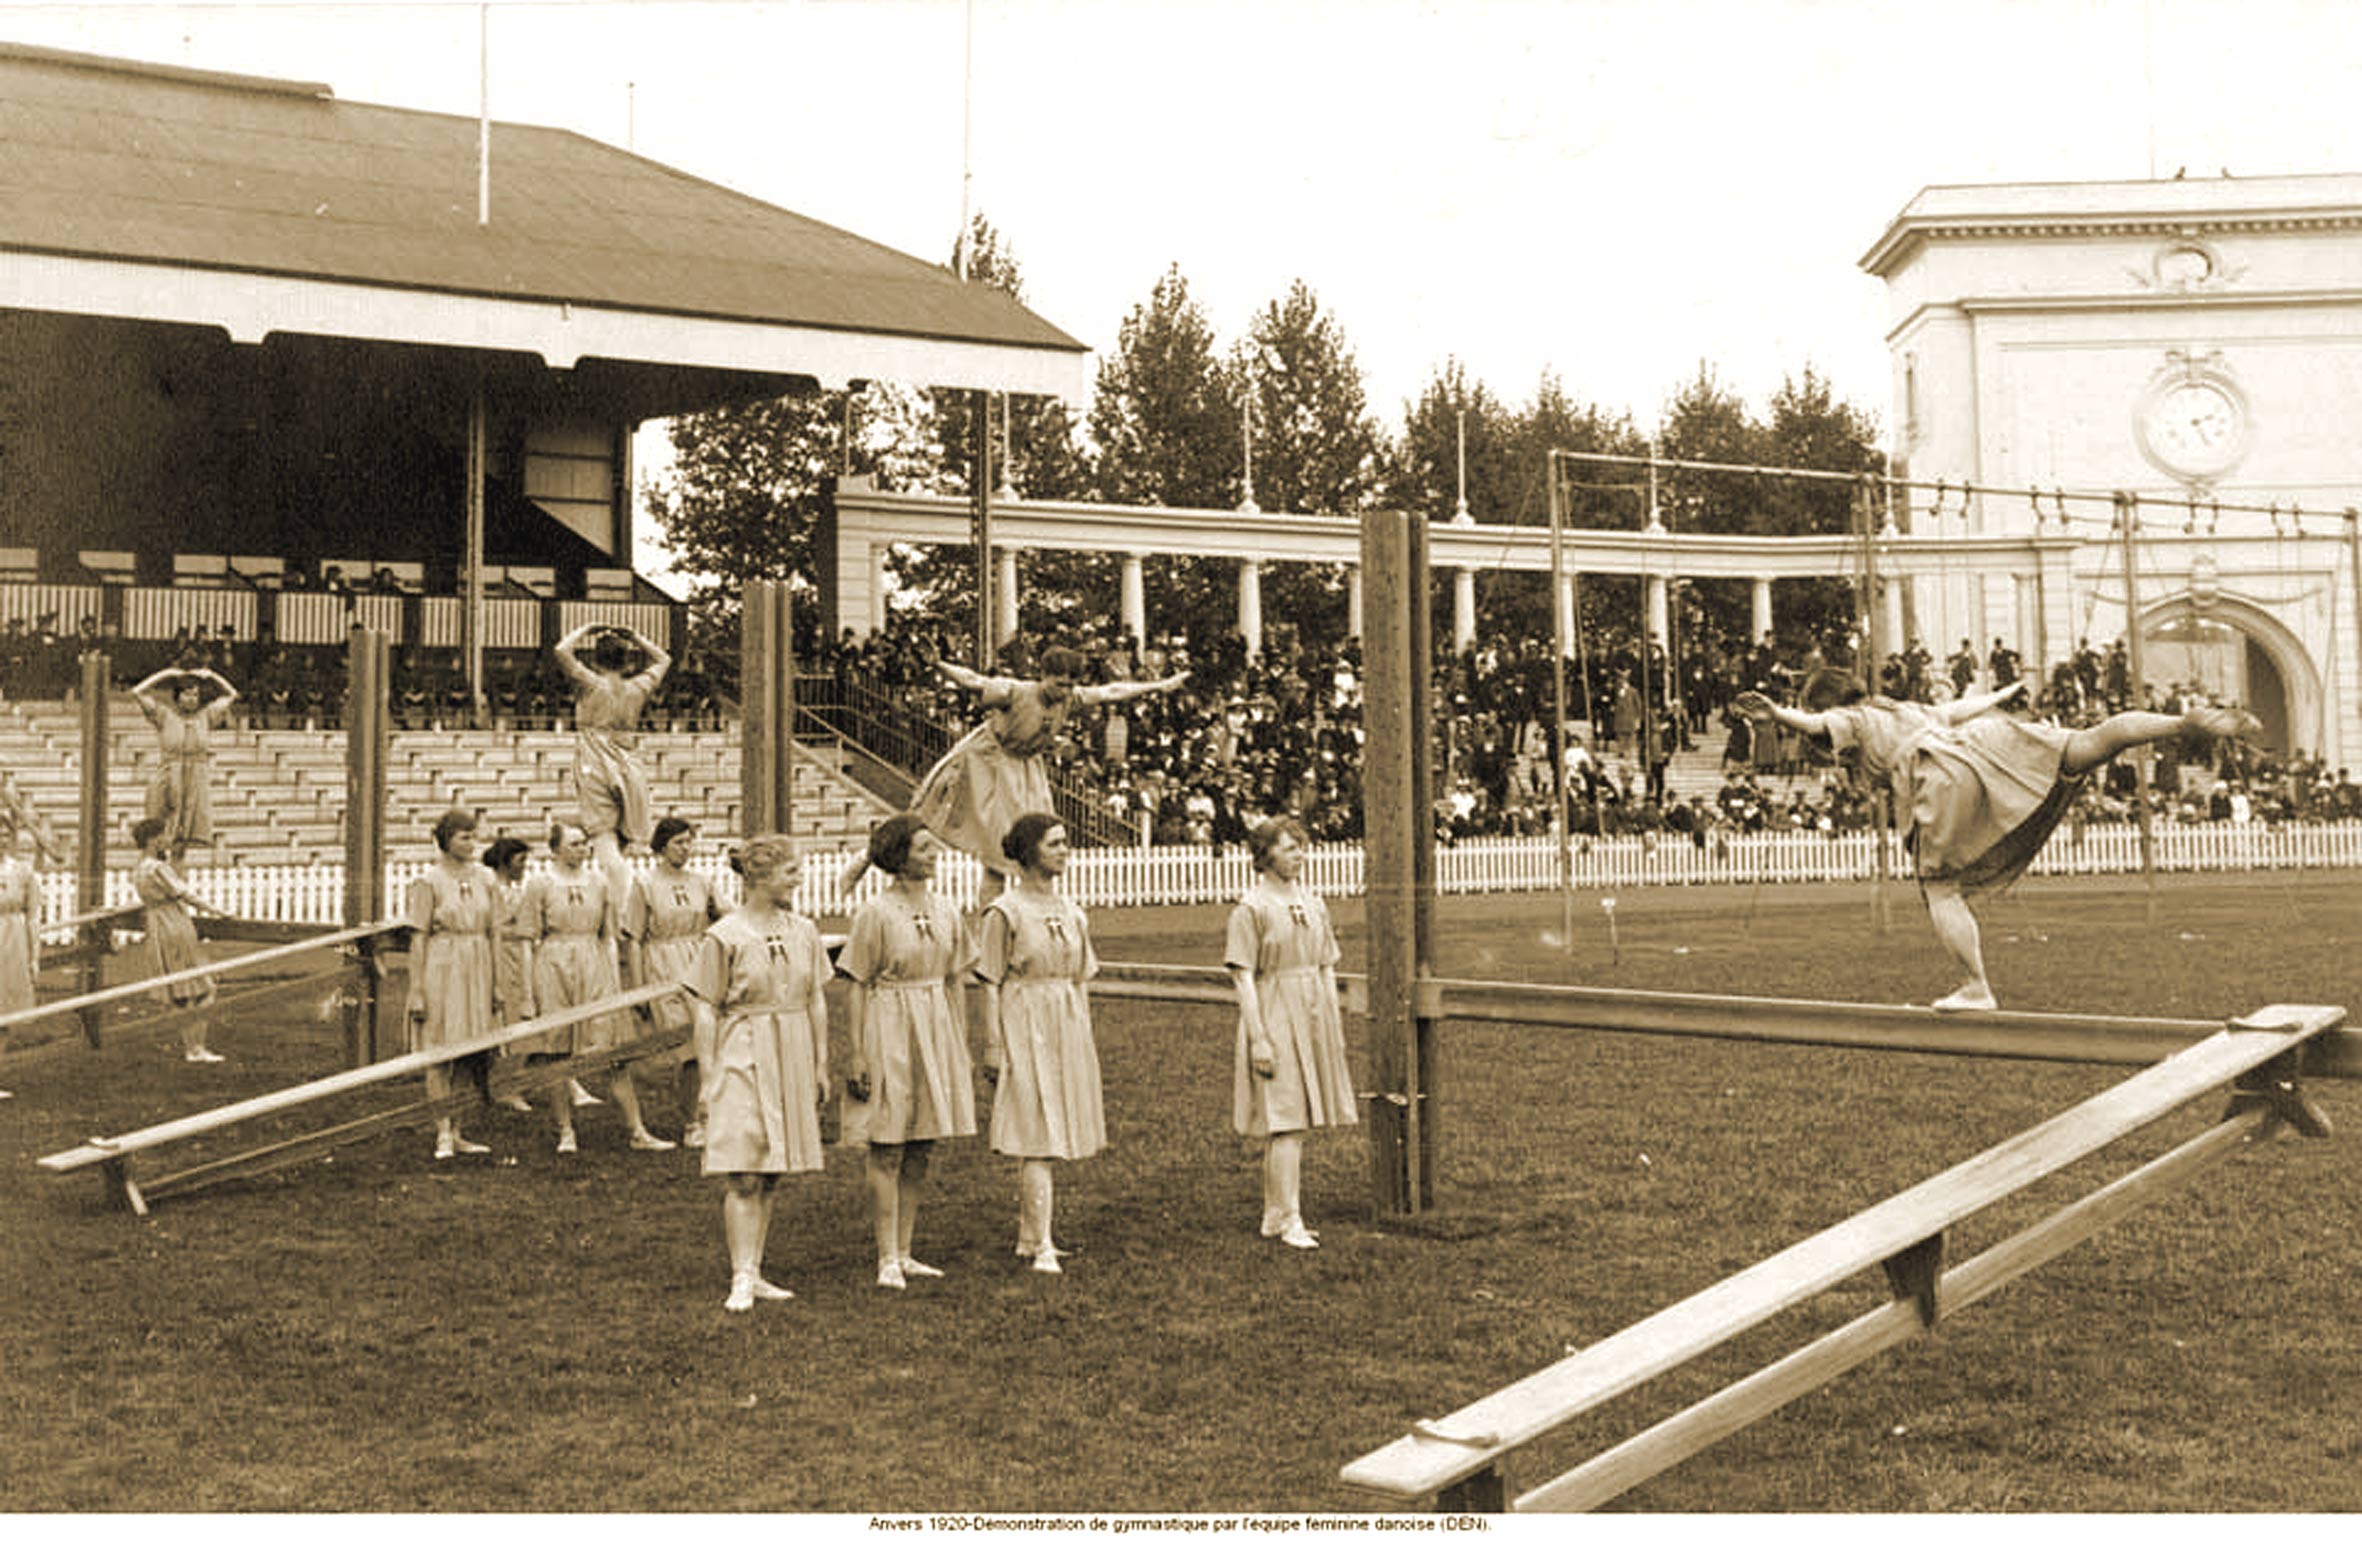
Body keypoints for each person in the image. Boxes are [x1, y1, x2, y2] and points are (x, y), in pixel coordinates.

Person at [1734, 668, 2263, 1011]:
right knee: (2091, 740)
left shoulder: (1849, 718)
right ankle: (2179, 723)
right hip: (1985, 741)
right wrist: (2006, 694)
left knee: (1941, 889)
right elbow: (1968, 707)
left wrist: (1778, 714)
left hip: (1938, 771)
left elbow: (1815, 723)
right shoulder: (1906, 707)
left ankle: (1975, 987)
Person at [683, 834, 832, 1312]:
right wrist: (709, 1077)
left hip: (791, 1046)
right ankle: (741, 1275)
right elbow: (706, 1007)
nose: (799, 879)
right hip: (743, 1048)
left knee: (770, 1170)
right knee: (744, 1169)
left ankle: (756, 1268)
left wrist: (821, 1062)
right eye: (791, 872)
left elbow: (816, 998)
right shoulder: (724, 935)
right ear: (760, 877)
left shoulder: (804, 931)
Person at [907, 648, 1186, 888]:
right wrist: (939, 664)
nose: (1064, 691)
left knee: (1040, 837)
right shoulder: (1016, 691)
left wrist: (1159, 686)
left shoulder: (1070, 698)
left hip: (1028, 765)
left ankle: (1034, 908)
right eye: (1060, 684)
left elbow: (1112, 690)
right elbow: (973, 681)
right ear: (1045, 676)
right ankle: (987, 926)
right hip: (992, 759)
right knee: (996, 854)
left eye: (1070, 685)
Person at [840, 814, 976, 1290]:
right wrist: (857, 1052)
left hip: (934, 1023)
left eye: (933, 847)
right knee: (887, 1142)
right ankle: (886, 1257)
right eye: (922, 848)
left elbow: (956, 977)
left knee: (922, 1142)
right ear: (899, 857)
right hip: (889, 1023)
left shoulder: (947, 909)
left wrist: (957, 1038)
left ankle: (906, 1249)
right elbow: (856, 982)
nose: (932, 854)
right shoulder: (875, 913)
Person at [977, 813, 1103, 1275]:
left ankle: (1031, 1237)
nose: (1064, 850)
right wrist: (993, 1043)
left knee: (1054, 1127)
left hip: (1064, 1019)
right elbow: (989, 980)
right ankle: (1041, 1242)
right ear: (1030, 852)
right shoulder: (1005, 912)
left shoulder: (1072, 911)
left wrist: (1082, 1030)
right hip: (1024, 1018)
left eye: (1065, 842)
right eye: (1055, 843)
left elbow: (1082, 976)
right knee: (1036, 1130)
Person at [1225, 815, 1356, 1250]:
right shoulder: (1251, 908)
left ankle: (1275, 1214)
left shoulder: (1314, 903)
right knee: (1287, 1122)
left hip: (1312, 1010)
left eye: (1301, 847)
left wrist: (1330, 1021)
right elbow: (1243, 975)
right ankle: (1288, 1218)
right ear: (1265, 855)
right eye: (1289, 847)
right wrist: (1259, 1037)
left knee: (1295, 1123)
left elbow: (1325, 964)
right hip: (1274, 1010)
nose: (1299, 855)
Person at [523, 820, 674, 1154]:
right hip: (554, 963)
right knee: (556, 1052)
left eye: (584, 843)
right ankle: (566, 1130)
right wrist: (527, 992)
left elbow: (608, 936)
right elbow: (528, 938)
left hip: (593, 961)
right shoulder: (540, 884)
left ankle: (637, 1130)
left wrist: (612, 980)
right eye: (574, 843)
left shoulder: (600, 882)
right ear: (556, 849)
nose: (582, 849)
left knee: (612, 1052)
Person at [552, 621, 671, 906]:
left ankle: (622, 906)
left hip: (596, 754)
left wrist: (587, 628)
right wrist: (637, 637)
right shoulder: (638, 686)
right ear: (628, 661)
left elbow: (561, 649)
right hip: (628, 757)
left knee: (603, 833)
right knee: (624, 837)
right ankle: (620, 898)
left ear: (595, 659)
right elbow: (664, 658)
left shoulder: (591, 683)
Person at [624, 816, 722, 1147]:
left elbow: (726, 916)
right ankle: (692, 1122)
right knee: (689, 1050)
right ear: (662, 847)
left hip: (698, 961)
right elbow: (634, 938)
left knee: (710, 1043)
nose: (686, 848)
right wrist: (639, 991)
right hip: (663, 966)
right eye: (679, 842)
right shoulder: (645, 885)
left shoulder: (702, 882)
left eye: (689, 841)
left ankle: (711, 1115)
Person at [406, 810, 499, 1159]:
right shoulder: (429, 881)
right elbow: (419, 937)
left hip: (477, 964)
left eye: (474, 837)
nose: (472, 844)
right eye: (464, 837)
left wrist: (497, 985)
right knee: (439, 1051)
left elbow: (495, 932)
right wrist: (416, 989)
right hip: (442, 966)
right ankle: (442, 1131)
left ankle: (458, 1130)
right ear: (446, 840)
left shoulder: (486, 879)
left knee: (469, 1054)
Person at [130, 817, 226, 1062]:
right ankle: (197, 1048)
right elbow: (184, 893)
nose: (167, 840)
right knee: (205, 987)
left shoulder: (140, 868)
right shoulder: (157, 868)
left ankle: (192, 1048)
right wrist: (216, 911)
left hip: (157, 927)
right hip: (174, 925)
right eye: (163, 835)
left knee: (181, 992)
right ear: (153, 840)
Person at [132, 665, 238, 850]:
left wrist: (212, 675)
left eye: (195, 695)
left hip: (195, 777)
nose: (192, 699)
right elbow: (137, 692)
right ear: (178, 696)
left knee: (184, 840)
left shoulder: (206, 716)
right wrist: (167, 674)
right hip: (169, 775)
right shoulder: (164, 715)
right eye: (187, 694)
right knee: (161, 833)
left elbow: (232, 695)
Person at [482, 835, 538, 1114]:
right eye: (520, 860)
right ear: (505, 862)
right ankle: (503, 1086)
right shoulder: (493, 889)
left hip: (519, 956)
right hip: (499, 956)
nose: (524, 866)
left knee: (520, 1019)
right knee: (505, 1019)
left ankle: (509, 1082)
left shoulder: (517, 891)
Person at [0, 816, 40, 1099]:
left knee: (5, 1011)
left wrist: (34, 956)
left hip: (12, 940)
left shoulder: (23, 872)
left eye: (5, 834)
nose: (2, 839)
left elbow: (33, 916)